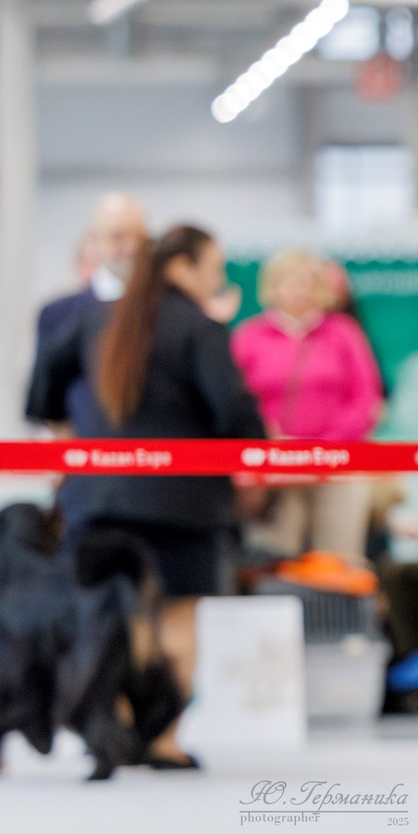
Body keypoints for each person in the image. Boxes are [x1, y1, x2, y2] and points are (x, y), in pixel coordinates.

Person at [27, 223, 268, 767]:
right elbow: (233, 412)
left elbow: (41, 390)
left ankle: (119, 731)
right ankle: (164, 740)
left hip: (96, 499)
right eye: (214, 267)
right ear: (182, 267)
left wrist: (71, 427)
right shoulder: (198, 328)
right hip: (182, 503)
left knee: (115, 618)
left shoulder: (92, 317)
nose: (218, 278)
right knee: (178, 617)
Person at [231, 247, 387, 563]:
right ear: (271, 287)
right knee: (272, 559)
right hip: (274, 468)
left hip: (338, 466)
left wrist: (325, 446)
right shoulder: (249, 336)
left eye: (304, 280)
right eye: (288, 280)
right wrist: (268, 436)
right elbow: (235, 398)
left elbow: (365, 397)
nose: (296, 288)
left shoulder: (344, 334)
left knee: (339, 563)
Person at [27, 194, 150, 441]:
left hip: (156, 460)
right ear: (95, 242)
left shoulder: (169, 311)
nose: (130, 246)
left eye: (137, 237)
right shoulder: (60, 315)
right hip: (85, 459)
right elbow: (45, 399)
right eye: (117, 236)